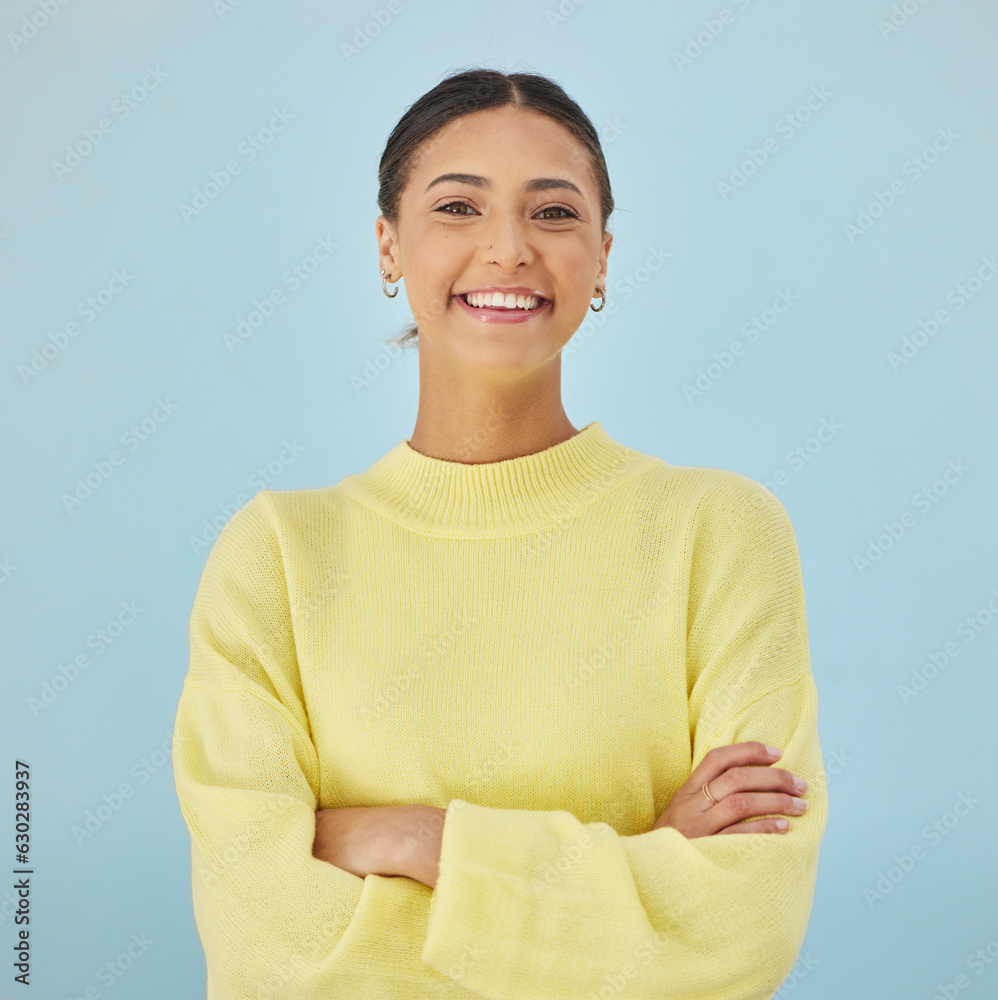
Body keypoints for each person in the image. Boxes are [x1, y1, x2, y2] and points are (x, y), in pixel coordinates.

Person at [172, 67, 827, 1000]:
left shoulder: (720, 534)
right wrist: (639, 868)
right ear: (389, 245)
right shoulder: (278, 554)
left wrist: (414, 840)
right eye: (457, 207)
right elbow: (268, 943)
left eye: (554, 214)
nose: (509, 248)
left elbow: (741, 927)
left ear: (603, 256)